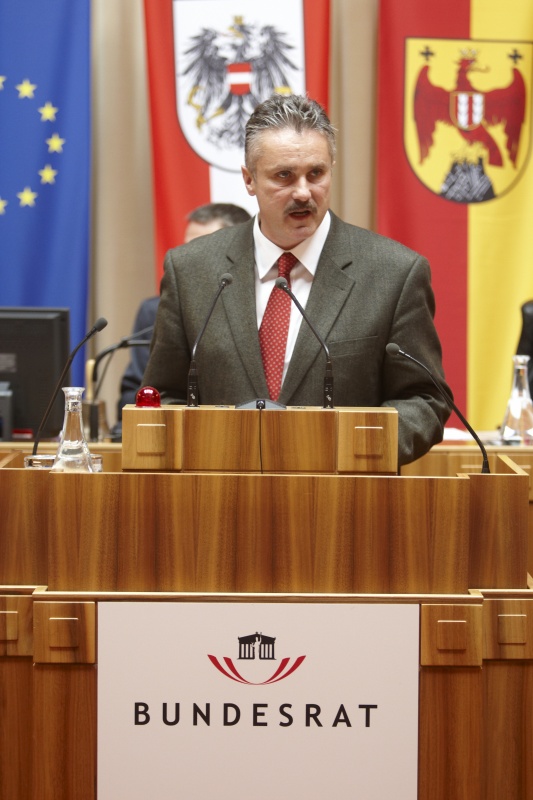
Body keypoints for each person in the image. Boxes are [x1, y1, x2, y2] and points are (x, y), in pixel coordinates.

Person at [143, 94, 451, 466]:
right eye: (284, 176)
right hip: (218, 503)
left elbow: (424, 401)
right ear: (249, 179)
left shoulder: (394, 272)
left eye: (316, 174)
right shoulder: (192, 269)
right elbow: (161, 395)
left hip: (345, 503)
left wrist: (337, 449)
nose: (304, 192)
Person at [112, 203, 251, 437]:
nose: (192, 256)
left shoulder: (270, 300)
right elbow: (137, 388)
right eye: (189, 246)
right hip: (185, 438)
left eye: (203, 246)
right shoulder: (153, 311)